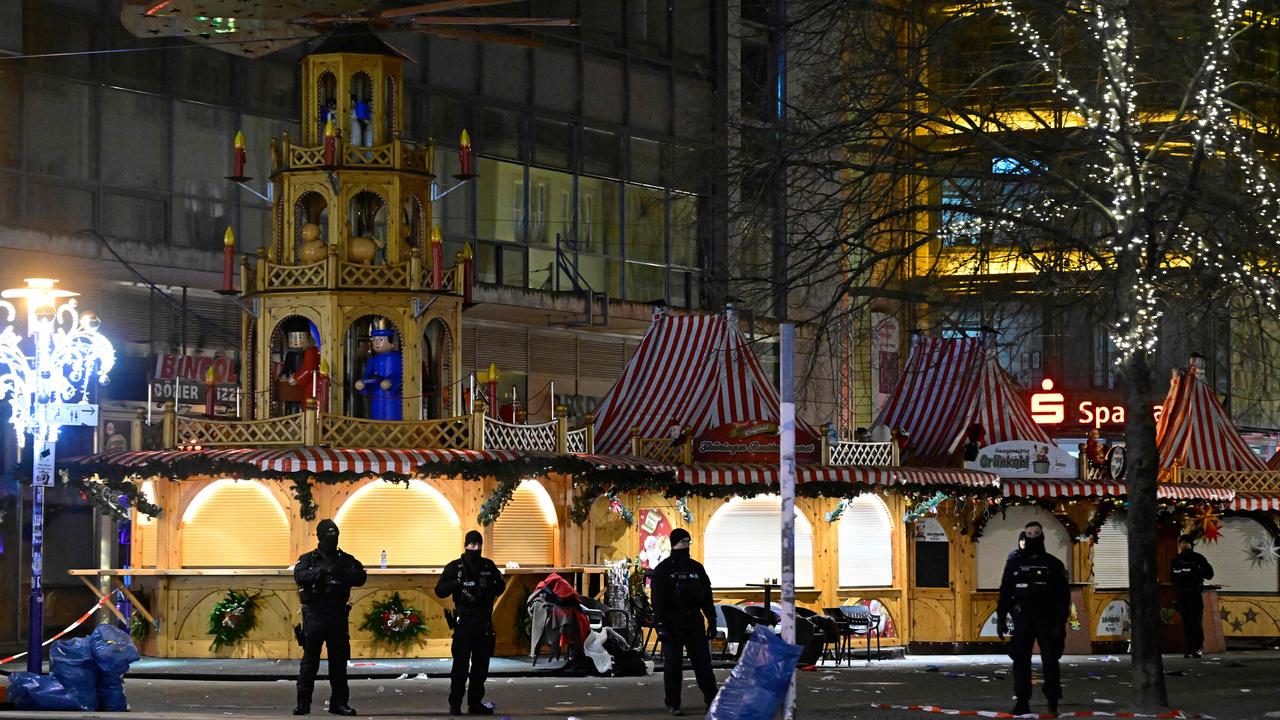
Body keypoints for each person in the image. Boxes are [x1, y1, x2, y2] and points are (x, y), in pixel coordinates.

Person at [293, 520, 367, 716]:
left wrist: (340, 572)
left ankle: (339, 703)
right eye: (329, 536)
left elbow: (361, 576)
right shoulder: (309, 559)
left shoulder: (345, 559)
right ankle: (303, 703)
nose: (333, 540)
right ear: (320, 537)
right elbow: (299, 576)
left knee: (338, 664)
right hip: (315, 615)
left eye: (335, 536)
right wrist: (323, 571)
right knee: (310, 663)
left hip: (337, 616)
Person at [996, 520, 1070, 716]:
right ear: (1023, 536)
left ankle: (1052, 701)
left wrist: (1060, 623)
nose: (1031, 538)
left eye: (1035, 534)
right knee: (1020, 660)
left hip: (1047, 618)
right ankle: (1022, 701)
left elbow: (1063, 596)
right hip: (1022, 618)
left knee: (1050, 661)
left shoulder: (1053, 564)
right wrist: (1001, 617)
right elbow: (1005, 591)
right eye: (1028, 534)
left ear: (1042, 536)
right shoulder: (1014, 563)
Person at [435, 531, 506, 715]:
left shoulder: (487, 566)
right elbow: (440, 590)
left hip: (483, 623)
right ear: (465, 545)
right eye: (472, 545)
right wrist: (455, 584)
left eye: (478, 545)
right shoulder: (455, 567)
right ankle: (455, 704)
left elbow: (501, 586)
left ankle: (475, 703)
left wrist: (488, 585)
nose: (475, 548)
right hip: (464, 622)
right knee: (460, 666)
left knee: (480, 667)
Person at [649, 528, 718, 717]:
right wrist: (661, 625)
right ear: (675, 543)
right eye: (683, 542)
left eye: (689, 542)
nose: (686, 546)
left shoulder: (696, 568)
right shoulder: (664, 570)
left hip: (694, 620)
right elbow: (658, 601)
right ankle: (673, 702)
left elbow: (706, 596)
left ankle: (712, 698)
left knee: (703, 663)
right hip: (672, 622)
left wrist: (711, 619)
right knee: (673, 665)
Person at [1172, 533, 1215, 658]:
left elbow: (1209, 574)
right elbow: (1173, 578)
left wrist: (1196, 572)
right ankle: (1189, 648)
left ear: (1191, 544)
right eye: (1182, 543)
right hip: (1182, 595)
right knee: (1186, 623)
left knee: (1196, 622)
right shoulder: (1176, 560)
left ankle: (1197, 648)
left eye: (1186, 543)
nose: (1184, 545)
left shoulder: (1198, 558)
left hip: (1194, 594)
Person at [354, 323, 402, 420]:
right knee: (377, 415)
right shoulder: (372, 359)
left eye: (380, 340)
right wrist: (363, 383)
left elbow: (402, 374)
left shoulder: (399, 357)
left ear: (391, 341)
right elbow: (368, 375)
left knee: (393, 415)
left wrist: (391, 381)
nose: (376, 343)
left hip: (394, 397)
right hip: (377, 396)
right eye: (374, 340)